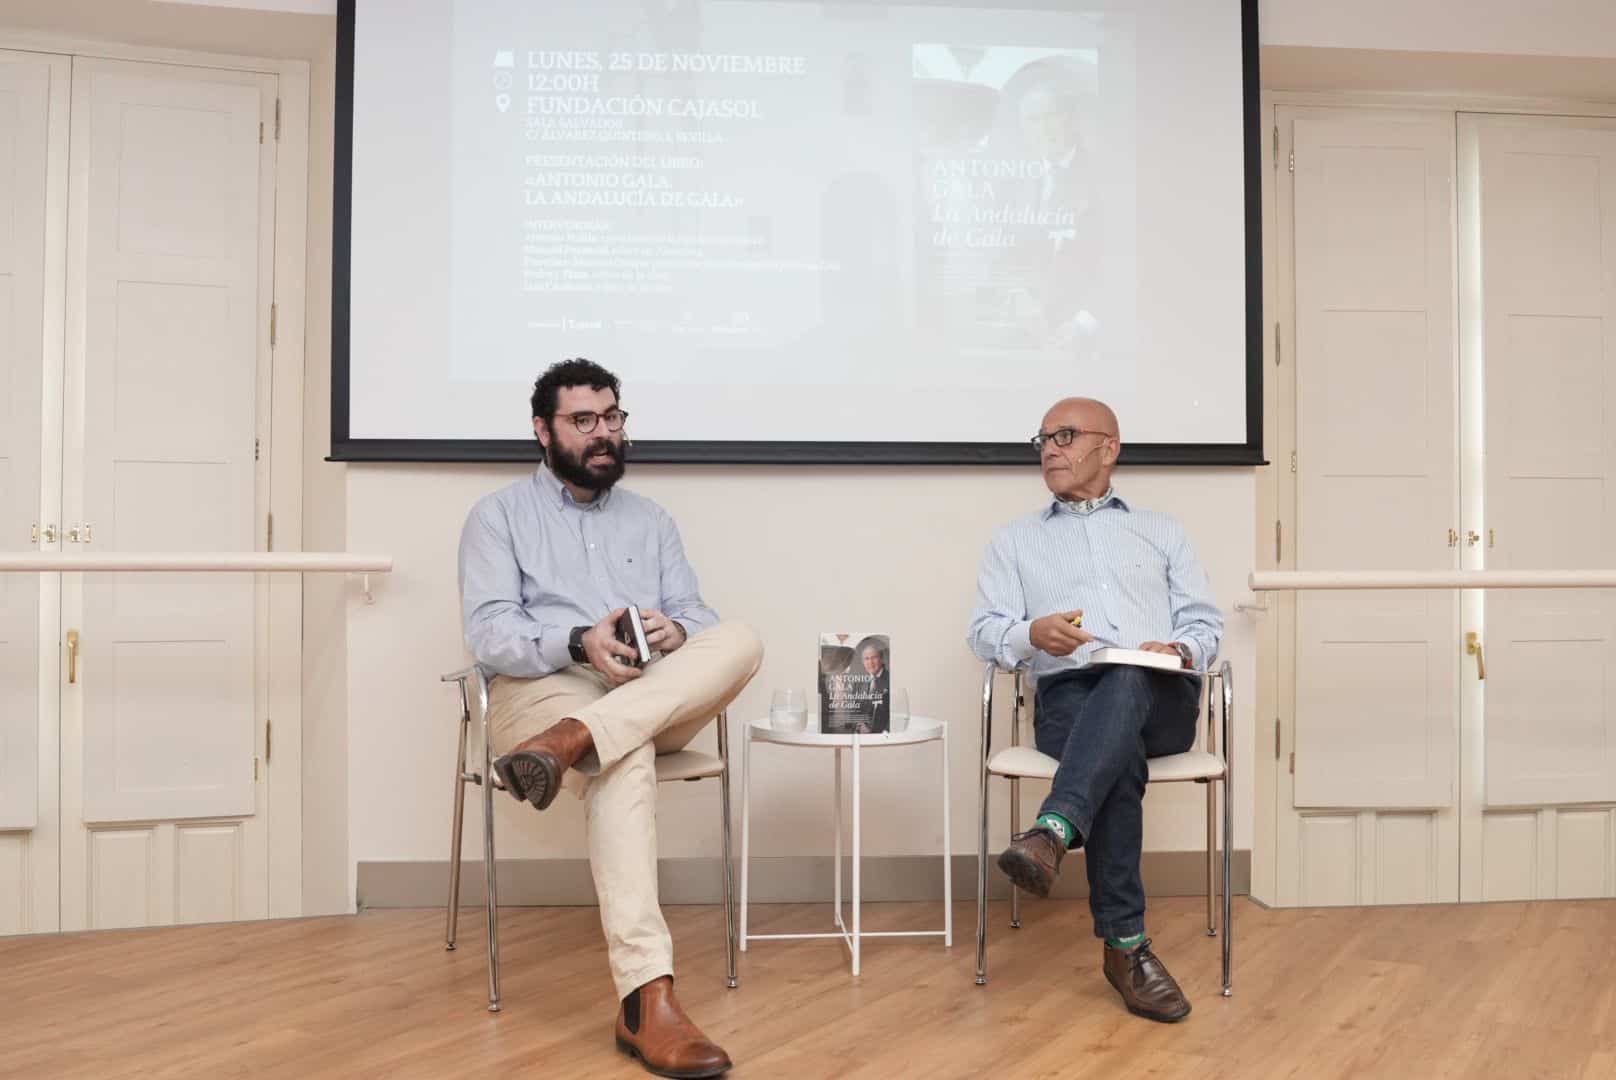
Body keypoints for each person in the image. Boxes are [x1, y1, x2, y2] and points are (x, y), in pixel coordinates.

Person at [458, 358, 762, 1078]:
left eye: (614, 418)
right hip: (542, 692)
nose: (604, 435)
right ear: (543, 430)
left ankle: (574, 743)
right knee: (624, 757)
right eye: (584, 421)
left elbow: (698, 616)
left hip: (636, 697)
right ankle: (647, 1000)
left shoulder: (651, 521)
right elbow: (491, 632)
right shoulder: (497, 517)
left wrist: (673, 633)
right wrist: (577, 640)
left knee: (741, 639)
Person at [965, 396, 1222, 1023]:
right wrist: (1032, 634)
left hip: (1162, 697)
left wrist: (1178, 646)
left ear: (1110, 448)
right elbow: (983, 632)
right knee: (1116, 759)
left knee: (1129, 672)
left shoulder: (1163, 529)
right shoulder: (1016, 540)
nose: (1050, 448)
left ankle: (1053, 829)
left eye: (1067, 435)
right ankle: (1126, 949)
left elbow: (1206, 626)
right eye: (1044, 438)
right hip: (1069, 699)